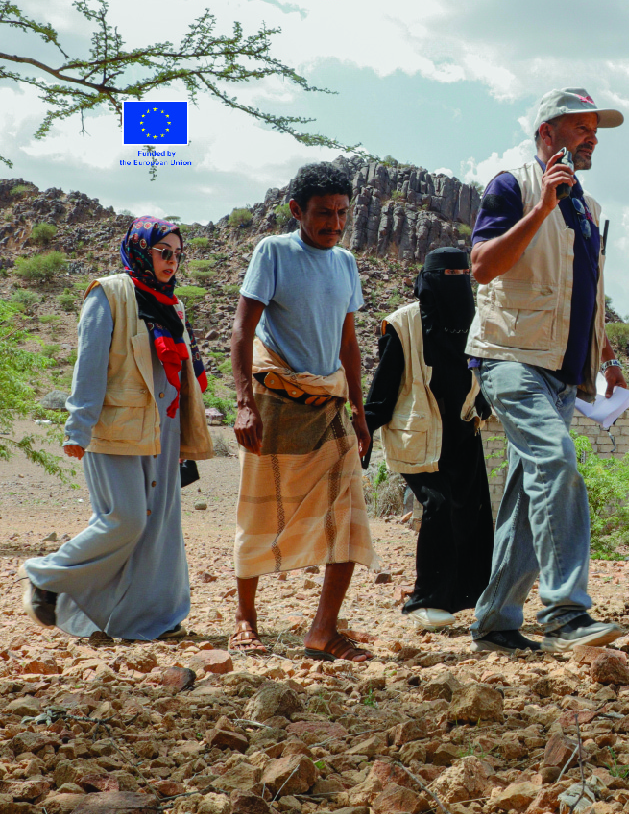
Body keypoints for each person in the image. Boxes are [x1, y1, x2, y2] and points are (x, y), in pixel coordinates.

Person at [466, 87, 628, 654]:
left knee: (524, 493)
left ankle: (495, 621)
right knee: (556, 460)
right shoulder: (513, 186)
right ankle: (565, 613)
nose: (592, 139)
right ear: (546, 134)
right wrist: (540, 210)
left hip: (562, 371)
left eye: (595, 131)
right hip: (510, 357)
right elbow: (482, 267)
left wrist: (606, 355)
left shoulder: (588, 207)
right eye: (582, 128)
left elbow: (583, 292)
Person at [22, 217, 214, 640]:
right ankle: (46, 575)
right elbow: (89, 364)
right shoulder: (108, 293)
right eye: (163, 252)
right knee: (124, 520)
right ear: (141, 250)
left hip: (163, 430)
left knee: (160, 526)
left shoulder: (172, 304)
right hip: (117, 426)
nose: (172, 261)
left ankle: (154, 618)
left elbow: (182, 372)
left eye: (178, 254)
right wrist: (78, 426)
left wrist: (187, 434)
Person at [230, 162, 378, 663]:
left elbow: (348, 343)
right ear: (297, 210)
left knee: (349, 517)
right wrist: (244, 404)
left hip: (329, 404)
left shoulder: (346, 263)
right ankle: (244, 621)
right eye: (323, 213)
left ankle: (322, 631)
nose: (334, 223)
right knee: (259, 512)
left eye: (342, 213)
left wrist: (360, 412)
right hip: (274, 401)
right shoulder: (273, 252)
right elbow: (242, 331)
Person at [364, 247, 493, 631]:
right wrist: (364, 429)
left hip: (463, 431)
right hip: (419, 436)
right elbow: (384, 386)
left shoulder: (475, 322)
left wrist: (484, 403)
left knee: (472, 514)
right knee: (438, 505)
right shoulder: (402, 325)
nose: (457, 282)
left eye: (463, 274)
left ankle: (468, 598)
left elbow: (480, 374)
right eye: (448, 275)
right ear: (429, 280)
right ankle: (426, 601)